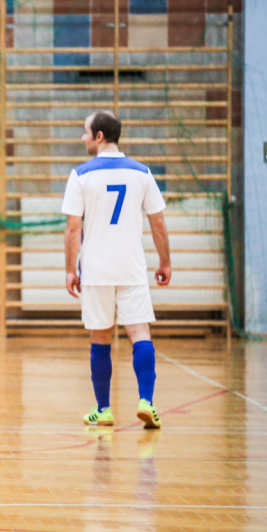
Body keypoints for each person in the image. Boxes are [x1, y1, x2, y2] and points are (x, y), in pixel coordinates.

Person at [62, 110, 172, 429]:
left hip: (96, 268)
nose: (82, 137)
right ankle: (146, 402)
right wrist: (165, 262)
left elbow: (72, 229)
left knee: (101, 337)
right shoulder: (142, 173)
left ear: (99, 137)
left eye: (85, 132)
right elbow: (159, 223)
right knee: (139, 333)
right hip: (131, 267)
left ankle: (104, 409)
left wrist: (71, 269)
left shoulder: (81, 175)